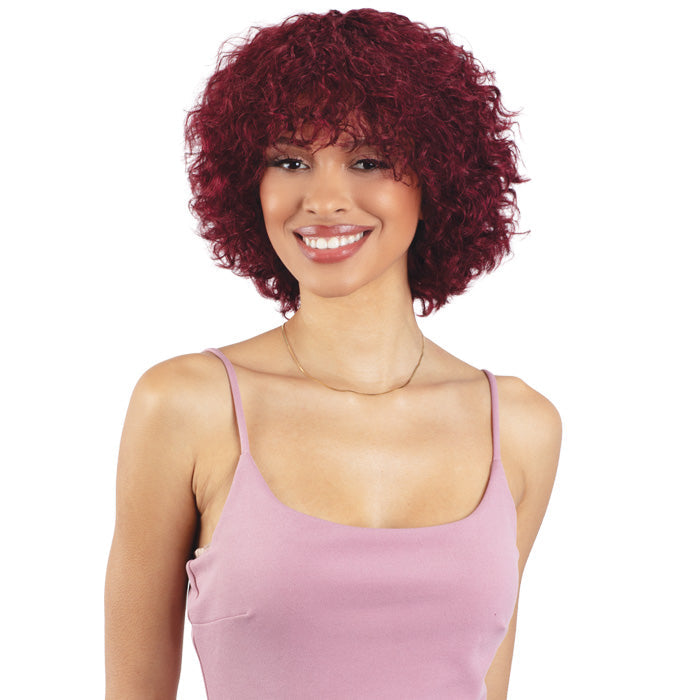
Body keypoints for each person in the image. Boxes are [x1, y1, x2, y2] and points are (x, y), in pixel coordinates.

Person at [104, 8, 562, 700]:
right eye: (290, 161)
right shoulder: (187, 406)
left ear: (438, 178)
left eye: (368, 161)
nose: (322, 200)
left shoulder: (521, 427)